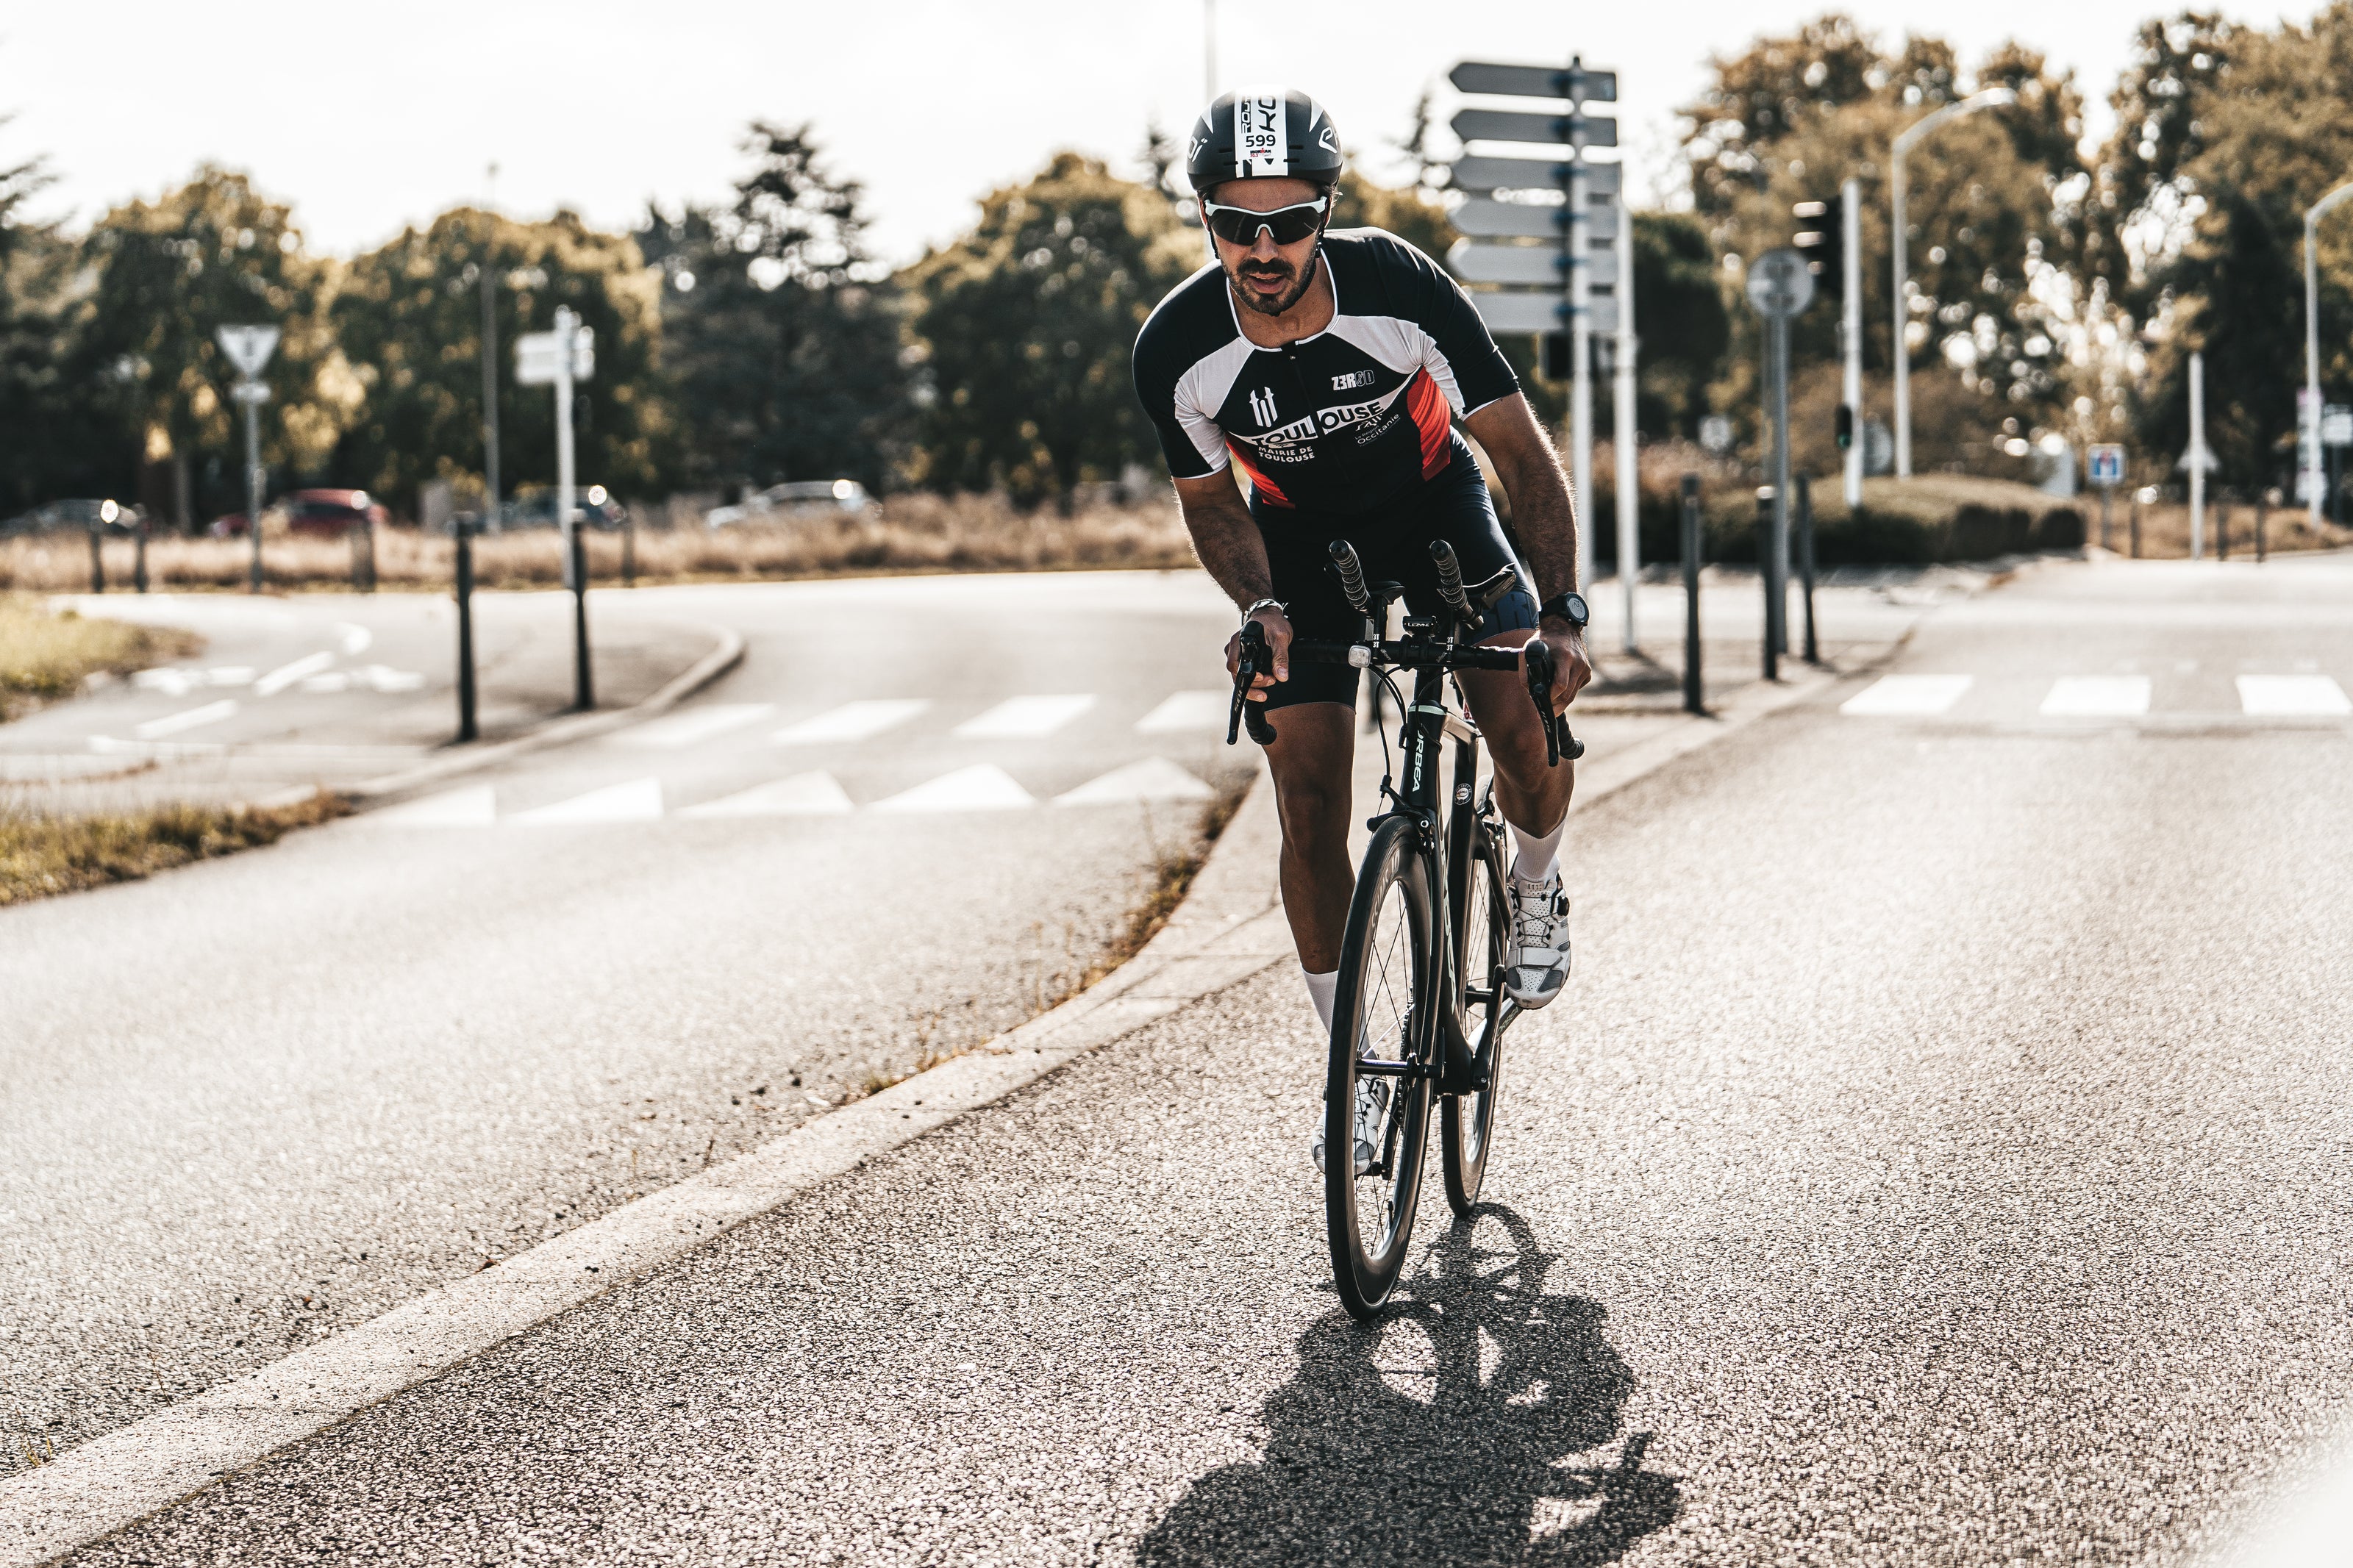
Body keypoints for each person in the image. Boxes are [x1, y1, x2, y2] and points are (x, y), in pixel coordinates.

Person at [1132, 87, 1595, 1175]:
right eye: (1235, 223)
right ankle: (1361, 1072)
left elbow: (1520, 458)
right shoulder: (1178, 348)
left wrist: (1563, 612)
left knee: (1524, 725)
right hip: (1301, 546)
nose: (1262, 247)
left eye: (1288, 221)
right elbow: (1211, 504)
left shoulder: (1396, 286)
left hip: (1438, 510)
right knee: (1303, 793)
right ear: (1206, 219)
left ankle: (1533, 885)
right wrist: (1261, 609)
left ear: (1324, 213)